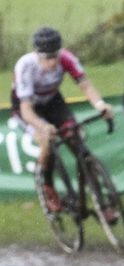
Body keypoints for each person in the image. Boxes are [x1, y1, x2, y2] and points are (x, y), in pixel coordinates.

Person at [10, 27, 113, 212]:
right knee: (46, 141)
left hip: (52, 101)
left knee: (79, 145)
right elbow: (26, 111)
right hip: (27, 107)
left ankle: (102, 204)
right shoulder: (25, 67)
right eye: (47, 58)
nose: (52, 62)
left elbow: (86, 85)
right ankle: (47, 185)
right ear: (38, 55)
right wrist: (43, 125)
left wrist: (100, 105)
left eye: (55, 56)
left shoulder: (67, 59)